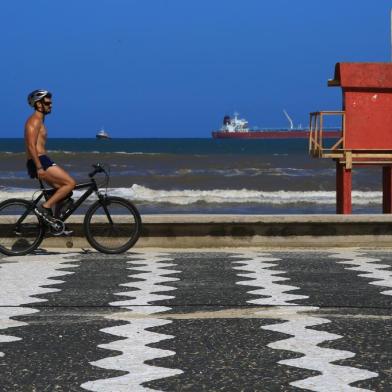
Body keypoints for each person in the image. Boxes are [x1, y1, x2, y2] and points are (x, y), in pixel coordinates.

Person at [25, 89, 76, 222]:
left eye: (50, 103)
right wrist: (39, 167)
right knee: (70, 183)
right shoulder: (34, 120)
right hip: (39, 161)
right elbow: (31, 146)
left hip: (42, 159)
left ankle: (56, 221)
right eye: (47, 103)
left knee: (62, 191)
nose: (51, 105)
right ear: (38, 104)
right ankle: (46, 206)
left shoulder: (40, 121)